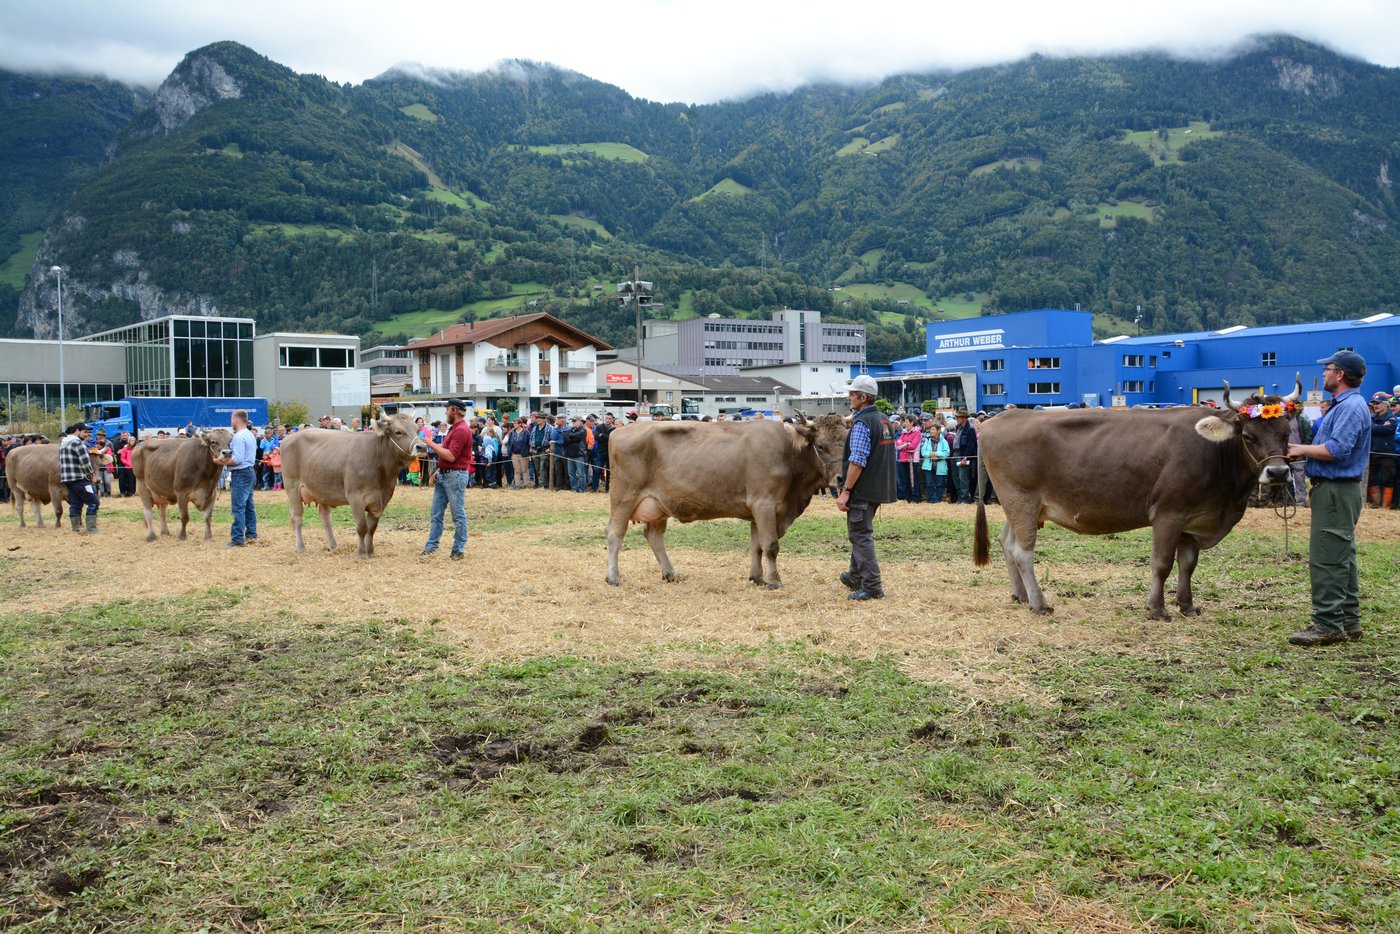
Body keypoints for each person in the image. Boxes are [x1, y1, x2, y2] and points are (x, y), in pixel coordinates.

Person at [1286, 351, 1372, 647]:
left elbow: (1337, 449)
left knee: (1326, 559)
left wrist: (1299, 449)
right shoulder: (1346, 405)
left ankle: (1327, 625)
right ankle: (1349, 620)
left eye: (1328, 368)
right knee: (1342, 556)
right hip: (1337, 490)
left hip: (1336, 491)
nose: (1324, 373)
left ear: (1340, 374)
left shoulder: (1350, 407)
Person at [836, 375, 897, 600]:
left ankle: (872, 586)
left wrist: (846, 491)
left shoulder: (862, 423)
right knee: (859, 533)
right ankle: (855, 576)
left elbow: (857, 461)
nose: (849, 397)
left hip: (863, 489)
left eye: (852, 394)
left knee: (860, 535)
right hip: (879, 488)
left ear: (863, 398)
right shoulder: (883, 420)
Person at [421, 399, 474, 560]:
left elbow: (451, 456)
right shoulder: (455, 429)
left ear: (454, 410)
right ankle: (431, 547)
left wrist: (430, 443)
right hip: (446, 474)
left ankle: (458, 549)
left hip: (455, 476)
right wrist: (439, 469)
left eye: (447, 409)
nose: (445, 412)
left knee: (457, 514)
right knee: (436, 513)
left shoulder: (461, 430)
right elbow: (447, 454)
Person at [214, 408, 259, 547]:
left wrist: (220, 462)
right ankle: (251, 534)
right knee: (249, 506)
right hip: (250, 472)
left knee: (238, 507)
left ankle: (237, 539)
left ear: (236, 420)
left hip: (241, 473)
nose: (231, 422)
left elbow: (237, 459)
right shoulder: (250, 434)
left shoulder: (239, 437)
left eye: (231, 419)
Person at [59, 422, 100, 533]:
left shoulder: (63, 444)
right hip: (80, 478)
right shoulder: (77, 443)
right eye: (84, 432)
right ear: (77, 431)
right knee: (94, 502)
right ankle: (92, 529)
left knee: (75, 504)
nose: (86, 435)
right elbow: (85, 462)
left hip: (68, 479)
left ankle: (76, 528)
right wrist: (92, 476)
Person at [1366, 392, 1396, 509]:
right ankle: (1375, 505)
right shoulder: (1372, 417)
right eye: (1374, 404)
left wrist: (1374, 427)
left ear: (1385, 404)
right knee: (1372, 480)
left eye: (1378, 403)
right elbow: (1369, 428)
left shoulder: (1391, 418)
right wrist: (1380, 427)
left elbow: (1387, 429)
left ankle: (1385, 507)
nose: (1375, 405)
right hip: (1373, 453)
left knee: (1388, 480)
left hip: (1387, 454)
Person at [953, 408, 978, 503]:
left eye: (958, 417)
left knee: (963, 478)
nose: (956, 419)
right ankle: (960, 497)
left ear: (964, 418)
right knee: (956, 478)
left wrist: (965, 458)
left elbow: (970, 446)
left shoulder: (970, 429)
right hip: (955, 454)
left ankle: (965, 499)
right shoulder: (958, 427)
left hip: (962, 455)